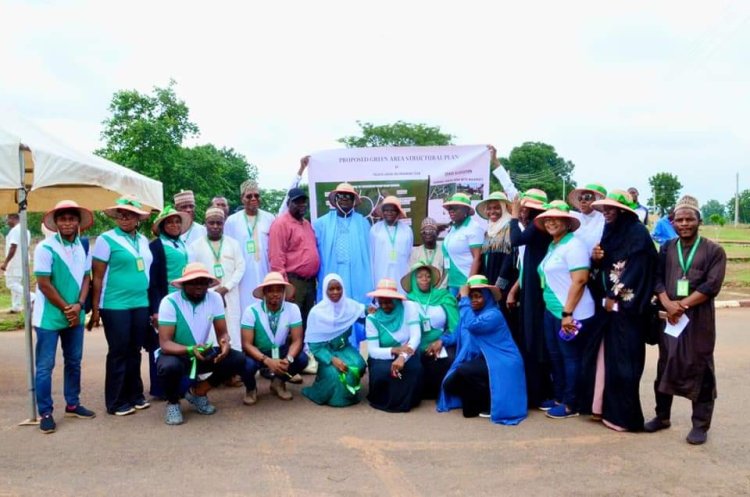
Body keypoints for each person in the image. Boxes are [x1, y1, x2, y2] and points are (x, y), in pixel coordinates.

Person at [646, 195, 727, 445]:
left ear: (698, 221)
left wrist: (682, 305)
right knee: (666, 363)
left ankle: (700, 425)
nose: (684, 224)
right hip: (670, 319)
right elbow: (656, 277)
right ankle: (662, 416)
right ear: (673, 222)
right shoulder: (667, 247)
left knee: (699, 367)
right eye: (679, 219)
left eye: (689, 219)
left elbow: (711, 285)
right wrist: (668, 304)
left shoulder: (714, 251)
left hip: (698, 319)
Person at [583, 189, 658, 431]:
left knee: (627, 363)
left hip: (629, 310)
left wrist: (614, 295)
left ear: (624, 211)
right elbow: (603, 267)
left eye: (611, 209)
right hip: (609, 311)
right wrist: (596, 259)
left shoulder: (637, 234)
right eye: (604, 210)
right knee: (608, 361)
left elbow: (637, 270)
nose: (606, 213)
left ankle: (626, 417)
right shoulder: (610, 232)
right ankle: (606, 411)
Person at [32, 201, 96, 433]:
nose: (67, 223)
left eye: (71, 218)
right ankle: (46, 412)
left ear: (78, 222)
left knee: (74, 361)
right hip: (49, 316)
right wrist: (67, 308)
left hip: (75, 314)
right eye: (63, 219)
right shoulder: (45, 248)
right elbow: (43, 283)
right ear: (56, 223)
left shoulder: (83, 247)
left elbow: (87, 278)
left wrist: (79, 305)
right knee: (45, 366)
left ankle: (72, 402)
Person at [156, 263, 246, 425]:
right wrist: (189, 349)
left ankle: (199, 392)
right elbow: (165, 343)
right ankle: (173, 402)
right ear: (183, 284)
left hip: (201, 352)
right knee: (168, 367)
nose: (199, 286)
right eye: (193, 282)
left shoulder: (215, 298)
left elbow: (222, 332)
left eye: (203, 282)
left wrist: (225, 343)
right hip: (177, 354)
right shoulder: (169, 302)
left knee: (237, 359)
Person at [89, 196, 153, 416]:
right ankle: (116, 401)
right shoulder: (106, 240)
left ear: (138, 219)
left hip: (140, 302)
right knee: (119, 351)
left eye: (130, 214)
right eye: (121, 214)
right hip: (115, 304)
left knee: (135, 350)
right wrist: (96, 309)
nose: (124, 217)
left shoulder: (143, 240)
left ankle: (135, 395)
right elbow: (97, 277)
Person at [437, 275, 527, 425]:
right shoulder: (470, 313)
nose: (473, 300)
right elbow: (457, 333)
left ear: (487, 297)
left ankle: (488, 401)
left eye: (478, 296)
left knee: (465, 370)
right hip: (483, 359)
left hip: (501, 360)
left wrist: (464, 297)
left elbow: (472, 325)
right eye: (471, 296)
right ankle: (480, 401)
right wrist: (441, 340)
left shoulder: (493, 314)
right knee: (449, 384)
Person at [535, 201, 595, 419]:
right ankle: (560, 396)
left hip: (571, 312)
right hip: (552, 310)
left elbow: (579, 281)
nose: (551, 221)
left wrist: (567, 313)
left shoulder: (574, 245)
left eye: (556, 218)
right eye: (547, 218)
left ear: (567, 222)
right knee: (555, 356)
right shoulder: (554, 245)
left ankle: (572, 403)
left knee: (570, 357)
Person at [508, 189, 553, 409]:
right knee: (532, 338)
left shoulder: (538, 225)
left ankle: (539, 393)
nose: (522, 210)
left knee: (534, 340)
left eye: (525, 208)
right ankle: (537, 391)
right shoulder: (538, 226)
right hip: (531, 287)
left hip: (536, 291)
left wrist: (514, 216)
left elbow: (515, 240)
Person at [313, 183, 372, 344]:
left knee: (355, 308)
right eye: (341, 196)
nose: (345, 199)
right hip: (333, 272)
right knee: (333, 309)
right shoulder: (321, 223)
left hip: (357, 276)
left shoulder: (363, 223)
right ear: (335, 200)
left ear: (354, 200)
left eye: (349, 196)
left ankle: (354, 347)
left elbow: (368, 253)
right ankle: (333, 348)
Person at [240, 272, 309, 404]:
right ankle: (251, 388)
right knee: (245, 365)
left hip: (281, 351)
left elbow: (297, 340)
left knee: (302, 359)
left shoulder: (293, 309)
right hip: (258, 353)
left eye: (279, 290)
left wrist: (288, 360)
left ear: (284, 292)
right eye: (271, 290)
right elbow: (246, 344)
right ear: (264, 292)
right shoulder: (251, 311)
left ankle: (278, 382)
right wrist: (266, 360)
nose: (275, 294)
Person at [302, 274, 367, 407]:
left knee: (359, 365)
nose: (335, 292)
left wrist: (371, 311)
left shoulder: (348, 306)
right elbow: (315, 346)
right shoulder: (317, 313)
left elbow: (362, 312)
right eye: (331, 289)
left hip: (345, 348)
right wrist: (332, 359)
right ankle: (332, 397)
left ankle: (350, 393)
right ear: (325, 290)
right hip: (327, 352)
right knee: (334, 374)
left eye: (339, 288)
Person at [147, 205, 191, 398]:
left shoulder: (181, 243)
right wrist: (156, 309)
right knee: (160, 344)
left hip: (182, 299)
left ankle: (180, 386)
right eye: (170, 222)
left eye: (177, 221)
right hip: (165, 301)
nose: (174, 225)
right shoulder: (156, 246)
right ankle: (160, 388)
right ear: (162, 226)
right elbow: (154, 280)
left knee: (179, 341)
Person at [189, 207, 245, 354]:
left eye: (219, 223)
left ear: (223, 223)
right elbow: (193, 273)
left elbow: (240, 268)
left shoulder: (234, 244)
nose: (215, 226)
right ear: (205, 223)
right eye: (211, 223)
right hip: (207, 295)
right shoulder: (195, 246)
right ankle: (210, 372)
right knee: (209, 331)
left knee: (232, 327)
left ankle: (233, 371)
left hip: (230, 295)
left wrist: (225, 288)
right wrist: (212, 291)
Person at [401, 262, 459, 400]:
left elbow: (456, 326)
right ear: (414, 280)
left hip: (441, 342)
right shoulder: (406, 301)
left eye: (427, 276)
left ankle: (441, 393)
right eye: (420, 276)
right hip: (415, 345)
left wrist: (442, 341)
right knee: (411, 364)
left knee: (449, 358)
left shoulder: (444, 297)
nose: (425, 279)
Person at [365, 278, 422, 413]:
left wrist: (402, 357)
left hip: (407, 351)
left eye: (388, 302)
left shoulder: (410, 307)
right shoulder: (372, 319)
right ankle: (384, 401)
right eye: (381, 302)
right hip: (384, 355)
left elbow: (415, 337)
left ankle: (410, 400)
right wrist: (394, 350)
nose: (384, 306)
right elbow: (373, 351)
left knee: (414, 368)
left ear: (396, 299)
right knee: (384, 371)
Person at [268, 187, 320, 327]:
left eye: (304, 201)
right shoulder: (280, 224)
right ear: (288, 203)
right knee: (292, 323)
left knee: (308, 321)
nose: (301, 205)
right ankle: (291, 350)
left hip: (309, 283)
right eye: (297, 202)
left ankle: (304, 349)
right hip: (294, 282)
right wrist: (286, 286)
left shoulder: (307, 224)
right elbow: (276, 257)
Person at [224, 180, 275, 313]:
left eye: (256, 196)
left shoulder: (269, 218)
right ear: (242, 199)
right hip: (243, 275)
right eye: (249, 196)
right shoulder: (232, 221)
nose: (253, 199)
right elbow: (227, 251)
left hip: (265, 270)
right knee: (245, 310)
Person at [476, 191, 517, 308]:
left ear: (504, 208)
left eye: (496, 208)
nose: (492, 212)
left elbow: (510, 258)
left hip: (505, 282)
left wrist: (499, 285)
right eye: (489, 208)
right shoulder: (489, 230)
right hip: (489, 279)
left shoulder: (510, 227)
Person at [441, 192, 484, 295]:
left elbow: (477, 259)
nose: (451, 211)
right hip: (452, 282)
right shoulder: (453, 228)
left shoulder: (473, 228)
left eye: (455, 208)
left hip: (465, 282)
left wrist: (468, 284)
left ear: (466, 210)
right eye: (450, 208)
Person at [370, 195, 414, 293]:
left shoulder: (407, 230)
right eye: (386, 210)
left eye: (393, 210)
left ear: (398, 212)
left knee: (401, 295)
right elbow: (371, 256)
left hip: (401, 271)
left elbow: (410, 254)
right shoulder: (375, 230)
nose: (389, 213)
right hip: (381, 270)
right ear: (382, 212)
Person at [567, 183, 607, 255]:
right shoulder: (574, 217)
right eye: (580, 198)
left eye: (587, 197)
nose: (583, 201)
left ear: (597, 199)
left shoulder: (605, 218)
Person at [2, 213, 31, 313]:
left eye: (8, 219)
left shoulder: (15, 230)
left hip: (14, 261)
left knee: (11, 284)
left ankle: (32, 297)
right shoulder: (25, 230)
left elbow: (13, 247)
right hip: (22, 261)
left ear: (14, 218)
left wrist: (5, 263)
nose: (7, 222)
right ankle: (16, 306)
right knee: (16, 283)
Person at [408, 217, 447, 288]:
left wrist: (438, 290)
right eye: (424, 232)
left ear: (437, 234)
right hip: (420, 292)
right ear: (421, 235)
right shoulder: (415, 252)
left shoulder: (444, 251)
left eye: (431, 231)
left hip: (439, 292)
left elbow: (447, 273)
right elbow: (411, 274)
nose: (427, 234)